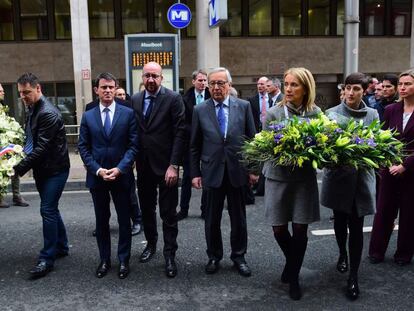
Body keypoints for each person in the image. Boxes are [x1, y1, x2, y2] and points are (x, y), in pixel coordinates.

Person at [190, 67, 257, 277]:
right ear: (208, 86)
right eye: (213, 84)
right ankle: (213, 256)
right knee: (211, 219)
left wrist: (253, 170)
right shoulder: (200, 110)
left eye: (221, 83)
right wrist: (194, 173)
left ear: (229, 85)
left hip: (237, 171)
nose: (216, 87)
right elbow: (194, 145)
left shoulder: (244, 107)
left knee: (239, 219)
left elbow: (252, 140)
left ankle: (239, 256)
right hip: (211, 172)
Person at [263, 67, 321, 300]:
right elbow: (265, 146)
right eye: (287, 84)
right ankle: (292, 263)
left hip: (303, 179)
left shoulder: (316, 113)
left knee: (299, 228)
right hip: (278, 177)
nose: (288, 89)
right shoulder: (274, 113)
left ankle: (293, 276)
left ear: (306, 87)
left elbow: (320, 146)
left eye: (294, 85)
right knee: (278, 229)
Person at [321, 73, 379, 301]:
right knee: (340, 221)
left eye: (356, 89)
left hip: (362, 181)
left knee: (356, 227)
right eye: (348, 88)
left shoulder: (372, 113)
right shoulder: (331, 113)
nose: (351, 93)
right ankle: (341, 253)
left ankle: (353, 276)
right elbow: (324, 147)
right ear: (343, 90)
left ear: (364, 91)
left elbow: (377, 143)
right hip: (338, 180)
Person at [78, 72, 138, 279]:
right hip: (98, 177)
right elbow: (83, 147)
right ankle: (104, 260)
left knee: (124, 221)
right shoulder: (88, 116)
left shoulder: (128, 113)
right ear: (96, 90)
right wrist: (97, 169)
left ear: (115, 88)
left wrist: (120, 168)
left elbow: (133, 145)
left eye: (111, 87)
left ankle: (123, 260)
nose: (108, 91)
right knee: (101, 221)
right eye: (104, 87)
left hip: (122, 176)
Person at [131, 61, 186, 278]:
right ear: (142, 78)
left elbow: (180, 133)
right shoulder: (135, 99)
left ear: (162, 78)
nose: (151, 80)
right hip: (143, 166)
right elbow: (134, 132)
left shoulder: (173, 99)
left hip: (166, 168)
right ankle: (151, 245)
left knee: (168, 213)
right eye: (147, 76)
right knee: (147, 210)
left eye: (155, 76)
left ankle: (170, 254)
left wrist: (174, 165)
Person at [13, 73, 70, 279]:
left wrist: (18, 168)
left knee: (46, 209)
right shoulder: (32, 108)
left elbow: (42, 148)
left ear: (38, 89)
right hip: (43, 169)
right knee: (51, 208)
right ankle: (62, 246)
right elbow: (31, 139)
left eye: (27, 92)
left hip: (56, 170)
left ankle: (47, 258)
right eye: (20, 93)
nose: (23, 97)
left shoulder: (47, 113)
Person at [369, 69, 414, 266]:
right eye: (401, 84)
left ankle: (403, 254)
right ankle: (376, 252)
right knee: (384, 210)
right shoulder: (391, 110)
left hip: (412, 171)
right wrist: (389, 162)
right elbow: (383, 140)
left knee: (409, 213)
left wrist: (405, 165)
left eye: (408, 84)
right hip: (389, 168)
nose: (403, 87)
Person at [177, 69, 210, 221]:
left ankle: (205, 209)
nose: (203, 83)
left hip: (210, 143)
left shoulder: (211, 96)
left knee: (208, 178)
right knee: (188, 178)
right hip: (191, 144)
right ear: (193, 81)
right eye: (200, 80)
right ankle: (183, 210)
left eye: (205, 80)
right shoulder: (185, 99)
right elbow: (183, 122)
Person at [0, 83, 29, 208]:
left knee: (14, 166)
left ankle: (16, 195)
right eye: (0, 90)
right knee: (2, 171)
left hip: (7, 143)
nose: (3, 92)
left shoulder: (2, 106)